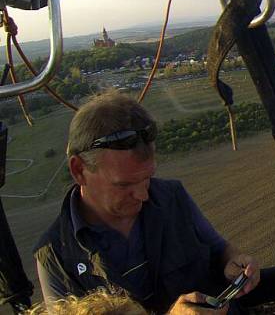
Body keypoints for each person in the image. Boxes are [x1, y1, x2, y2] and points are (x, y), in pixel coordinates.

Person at [33, 91, 260, 314]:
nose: (143, 195)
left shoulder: (172, 196)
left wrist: (234, 261)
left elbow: (219, 249)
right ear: (79, 170)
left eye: (147, 178)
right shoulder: (55, 256)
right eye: (124, 185)